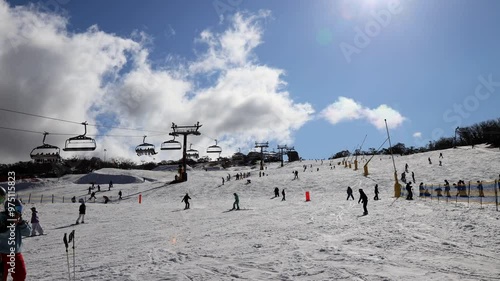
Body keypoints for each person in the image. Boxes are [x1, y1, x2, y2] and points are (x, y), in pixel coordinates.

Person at [0, 194, 31, 281]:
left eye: (19, 210)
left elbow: (28, 232)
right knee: (2, 276)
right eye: (16, 209)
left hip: (15, 253)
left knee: (20, 275)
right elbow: (2, 233)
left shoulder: (18, 220)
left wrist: (21, 223)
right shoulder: (2, 218)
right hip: (2, 253)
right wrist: (10, 224)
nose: (18, 212)